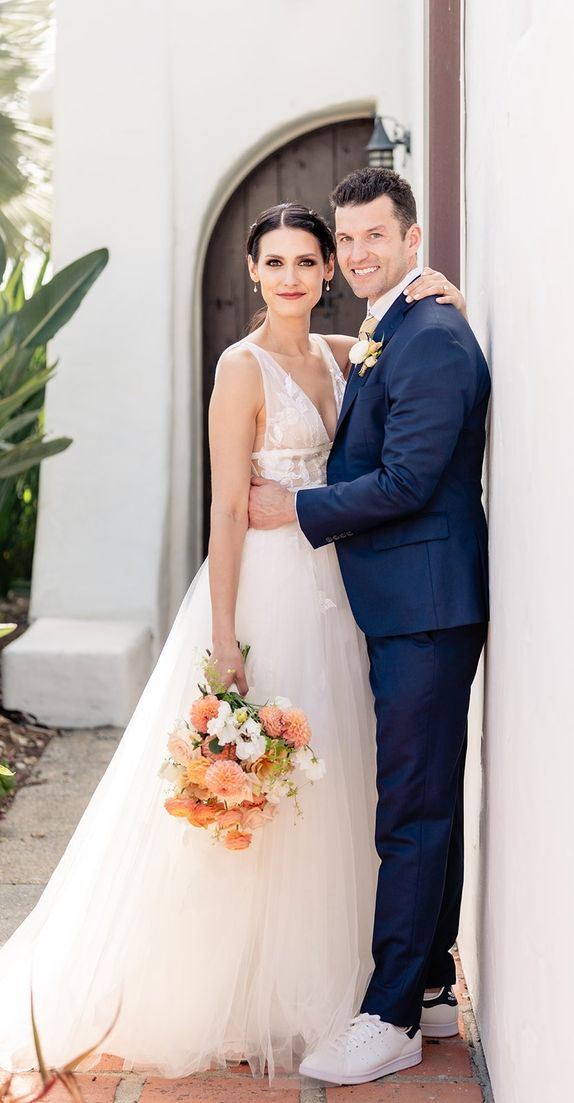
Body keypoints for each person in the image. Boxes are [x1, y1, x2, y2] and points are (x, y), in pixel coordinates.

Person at [0, 200, 464, 1080]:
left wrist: (445, 297)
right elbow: (224, 507)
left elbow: (400, 348)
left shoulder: (339, 355)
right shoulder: (240, 368)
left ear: (328, 273)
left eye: (305, 261)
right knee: (261, 786)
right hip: (264, 591)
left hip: (335, 589)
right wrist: (223, 632)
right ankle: (240, 984)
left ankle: (331, 980)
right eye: (274, 262)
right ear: (252, 273)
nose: (291, 276)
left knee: (332, 778)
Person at [248, 168, 491, 1086]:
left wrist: (299, 506)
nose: (355, 255)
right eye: (345, 241)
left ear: (413, 237)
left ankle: (388, 1016)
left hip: (425, 606)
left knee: (412, 812)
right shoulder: (398, 327)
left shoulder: (429, 336)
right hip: (411, 605)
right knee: (424, 804)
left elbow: (407, 482)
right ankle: (426, 983)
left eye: (372, 239)